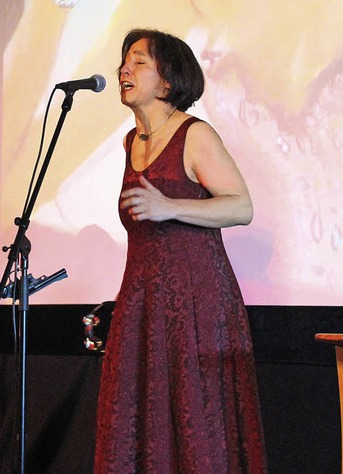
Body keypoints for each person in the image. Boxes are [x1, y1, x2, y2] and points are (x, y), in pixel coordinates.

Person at [94, 29, 267, 473]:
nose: (124, 69)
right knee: (135, 415)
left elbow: (241, 206)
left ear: (167, 81)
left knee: (196, 415)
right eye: (124, 62)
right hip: (142, 303)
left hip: (196, 302)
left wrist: (170, 205)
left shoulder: (194, 134)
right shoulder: (130, 143)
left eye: (139, 62)